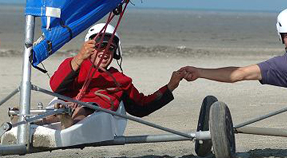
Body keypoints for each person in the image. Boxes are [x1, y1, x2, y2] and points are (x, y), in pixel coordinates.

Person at [47, 23, 184, 127]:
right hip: (63, 107)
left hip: (90, 115)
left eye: (110, 48)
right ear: (89, 48)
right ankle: (44, 122)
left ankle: (71, 123)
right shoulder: (75, 64)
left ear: (115, 53)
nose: (105, 52)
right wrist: (79, 57)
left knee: (86, 108)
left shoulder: (120, 80)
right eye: (100, 46)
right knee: (57, 110)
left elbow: (141, 107)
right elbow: (56, 87)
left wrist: (170, 86)